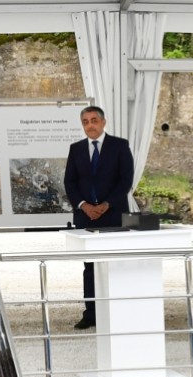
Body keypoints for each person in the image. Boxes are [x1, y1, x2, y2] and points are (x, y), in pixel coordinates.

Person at [64, 106, 134, 329]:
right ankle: (91, 313)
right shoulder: (76, 149)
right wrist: (84, 206)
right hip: (86, 218)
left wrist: (107, 204)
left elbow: (126, 180)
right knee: (90, 267)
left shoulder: (120, 146)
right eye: (85, 121)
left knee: (115, 264)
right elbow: (70, 182)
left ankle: (118, 311)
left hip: (113, 215)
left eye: (94, 120)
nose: (90, 125)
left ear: (103, 122)